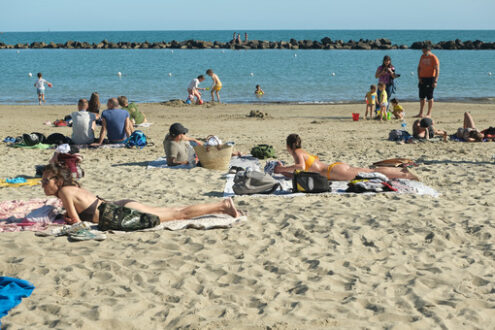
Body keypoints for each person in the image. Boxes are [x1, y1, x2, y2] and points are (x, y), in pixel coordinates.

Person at [41, 163, 240, 224]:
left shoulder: (66, 192)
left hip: (120, 213)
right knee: (175, 211)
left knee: (179, 214)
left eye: (45, 180)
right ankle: (222, 207)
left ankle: (222, 206)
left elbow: (77, 223)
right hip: (120, 207)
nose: (43, 184)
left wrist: (66, 220)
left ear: (57, 181)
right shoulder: (69, 190)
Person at [274, 134, 418, 181]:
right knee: (369, 172)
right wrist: (284, 172)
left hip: (334, 171)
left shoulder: (297, 153)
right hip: (334, 169)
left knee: (371, 173)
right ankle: (402, 172)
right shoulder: (302, 152)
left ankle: (405, 174)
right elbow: (300, 175)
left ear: (289, 146)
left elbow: (300, 168)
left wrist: (282, 168)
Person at [415, 43, 440, 118]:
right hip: (422, 78)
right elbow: (419, 68)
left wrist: (435, 81)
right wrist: (419, 78)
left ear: (428, 50)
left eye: (424, 50)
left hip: (430, 78)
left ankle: (429, 113)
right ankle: (421, 113)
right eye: (422, 49)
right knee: (422, 96)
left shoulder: (433, 57)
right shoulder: (422, 56)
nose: (423, 51)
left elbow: (437, 70)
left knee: (429, 96)